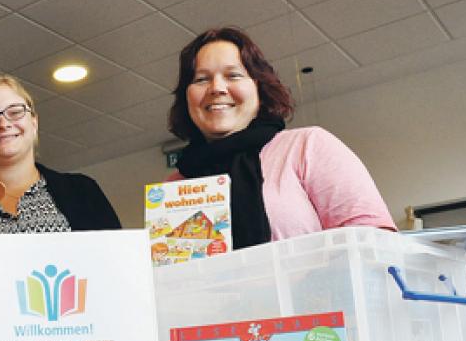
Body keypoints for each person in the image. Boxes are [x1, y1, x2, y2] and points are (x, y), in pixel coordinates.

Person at [167, 27, 395, 248]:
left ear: (259, 88)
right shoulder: (174, 186)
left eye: (233, 75)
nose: (216, 88)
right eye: (201, 79)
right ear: (186, 95)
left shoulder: (307, 146)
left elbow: (374, 242)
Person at [0, 74, 121, 233]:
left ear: (34, 123)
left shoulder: (82, 192)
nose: (3, 124)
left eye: (15, 112)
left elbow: (117, 255)